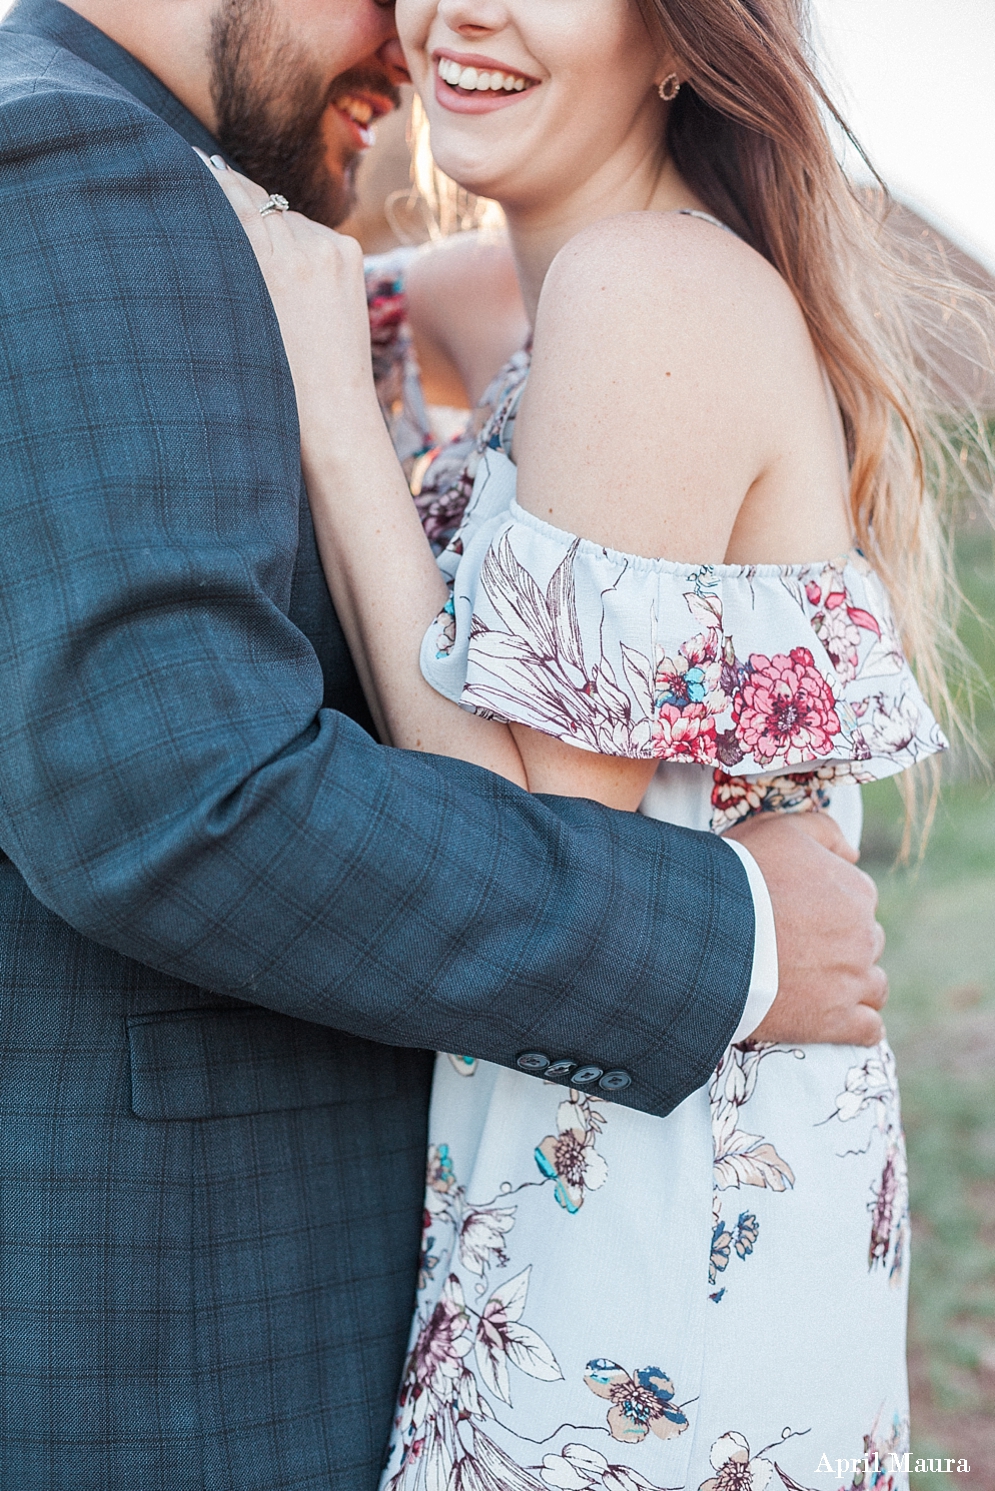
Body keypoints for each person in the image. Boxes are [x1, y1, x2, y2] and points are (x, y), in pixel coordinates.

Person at [0, 0, 892, 1485]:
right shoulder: (505, 293)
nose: (452, 7)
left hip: (643, 1187)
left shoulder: (646, 291)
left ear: (678, 36)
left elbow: (549, 827)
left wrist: (346, 434)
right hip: (551, 1143)